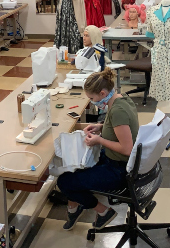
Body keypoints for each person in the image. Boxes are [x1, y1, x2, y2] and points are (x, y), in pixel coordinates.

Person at [57, 68, 139, 230]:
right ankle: (74, 207)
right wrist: (100, 127)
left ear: (102, 93)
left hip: (119, 170)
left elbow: (127, 149)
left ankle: (103, 212)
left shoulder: (117, 111)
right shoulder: (120, 99)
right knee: (71, 168)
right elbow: (120, 127)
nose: (92, 102)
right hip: (115, 160)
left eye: (92, 98)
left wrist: (99, 140)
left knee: (64, 182)